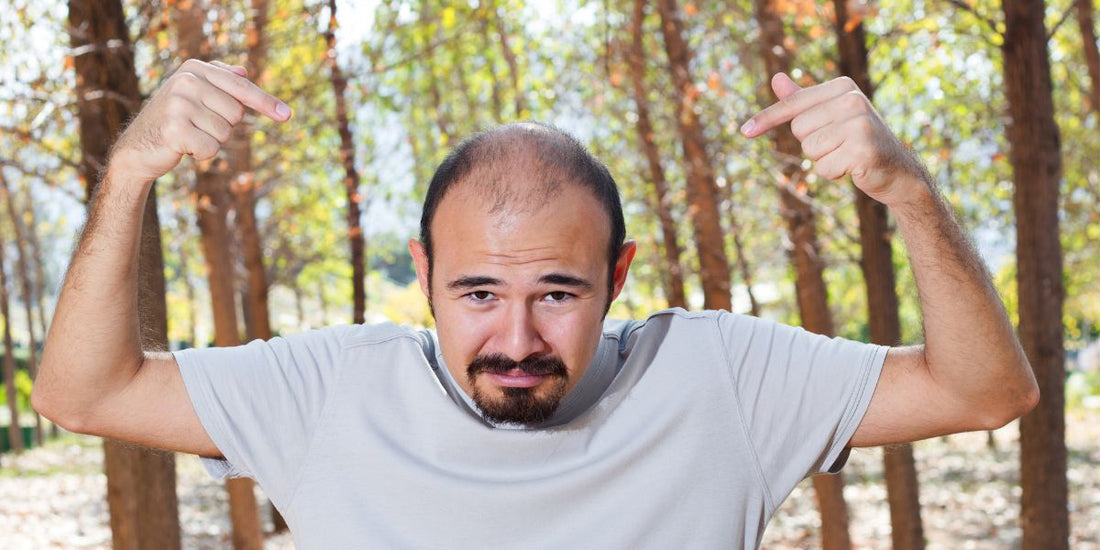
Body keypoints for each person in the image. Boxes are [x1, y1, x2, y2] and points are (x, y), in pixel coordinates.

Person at [34, 59, 1038, 548]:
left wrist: (905, 189)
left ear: (619, 273)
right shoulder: (329, 388)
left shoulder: (717, 375)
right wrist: (128, 176)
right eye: (476, 292)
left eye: (557, 292)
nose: (514, 340)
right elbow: (84, 394)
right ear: (423, 275)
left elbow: (985, 390)